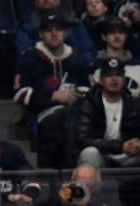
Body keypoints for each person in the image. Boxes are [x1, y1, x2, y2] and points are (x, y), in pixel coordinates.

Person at [14, 15, 91, 169]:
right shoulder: (30, 58)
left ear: (65, 33)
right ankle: (56, 175)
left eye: (59, 30)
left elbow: (87, 87)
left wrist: (76, 96)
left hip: (76, 112)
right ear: (41, 34)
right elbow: (20, 94)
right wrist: (53, 96)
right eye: (49, 30)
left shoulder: (76, 57)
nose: (54, 34)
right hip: (43, 115)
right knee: (61, 124)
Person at [75, 57, 140, 168]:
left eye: (118, 75)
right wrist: (119, 146)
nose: (114, 79)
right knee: (90, 153)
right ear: (100, 79)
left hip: (127, 156)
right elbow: (82, 139)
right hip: (101, 154)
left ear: (124, 79)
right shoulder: (89, 103)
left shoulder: (133, 103)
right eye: (109, 75)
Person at [35, 162, 129, 206]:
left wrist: (92, 203)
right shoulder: (60, 199)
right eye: (80, 184)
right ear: (72, 182)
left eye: (89, 184)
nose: (83, 188)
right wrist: (61, 198)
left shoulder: (107, 201)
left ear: (98, 184)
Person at [14, 0, 98, 67]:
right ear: (36, 2)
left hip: (74, 71)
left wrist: (84, 67)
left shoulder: (74, 24)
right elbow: (26, 57)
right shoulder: (27, 29)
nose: (46, 0)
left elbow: (88, 50)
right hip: (42, 74)